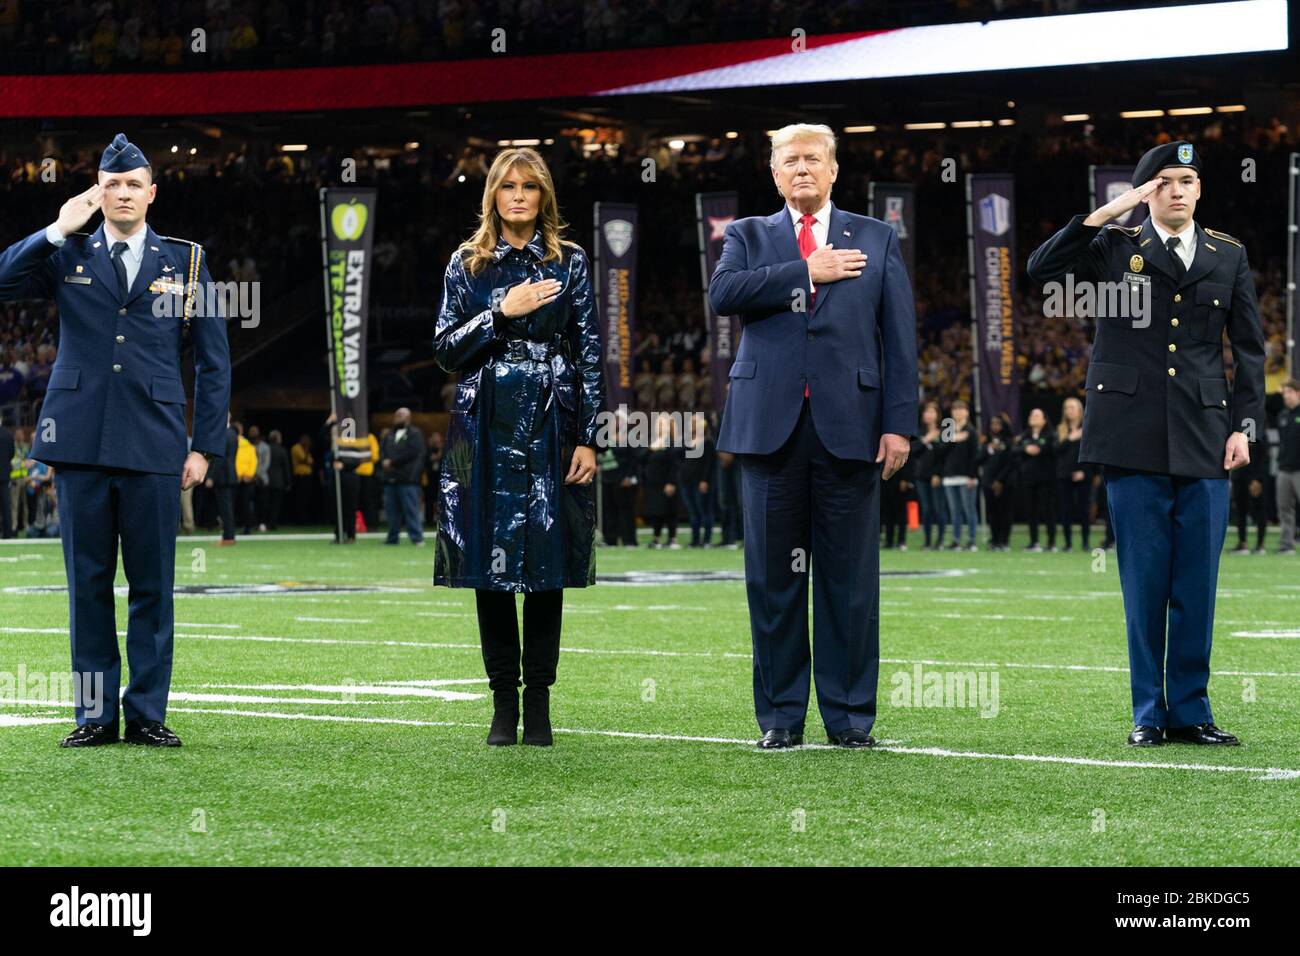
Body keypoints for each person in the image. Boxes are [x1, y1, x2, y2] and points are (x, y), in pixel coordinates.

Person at [1027, 140, 1265, 747]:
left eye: (1187, 180)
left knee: (1196, 584)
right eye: (1163, 182)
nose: (1177, 190)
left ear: (1200, 189)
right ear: (1144, 194)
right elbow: (1042, 272)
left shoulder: (1228, 255)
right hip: (1129, 435)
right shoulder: (1112, 247)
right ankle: (1148, 714)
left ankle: (1191, 711)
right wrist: (1108, 212)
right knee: (1144, 582)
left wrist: (1245, 426)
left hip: (1208, 435)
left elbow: (1250, 350)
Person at [0, 133, 231, 748]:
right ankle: (96, 715)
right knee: (88, 584)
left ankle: (148, 713)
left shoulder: (186, 262)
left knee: (153, 584)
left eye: (133, 184)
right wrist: (53, 228)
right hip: (77, 441)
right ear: (97, 192)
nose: (123, 193)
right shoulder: (64, 253)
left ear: (151, 193)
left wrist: (203, 446)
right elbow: (2, 281)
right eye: (112, 183)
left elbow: (214, 362)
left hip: (156, 444)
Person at [709, 123, 918, 749]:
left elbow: (900, 340)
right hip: (768, 430)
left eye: (813, 159)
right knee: (772, 580)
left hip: (851, 427)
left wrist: (898, 424)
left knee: (850, 580)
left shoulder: (878, 237)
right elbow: (723, 296)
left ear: (833, 171)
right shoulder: (746, 235)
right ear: (774, 174)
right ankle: (779, 718)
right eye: (789, 161)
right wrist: (807, 270)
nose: (802, 169)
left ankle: (851, 718)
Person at [433, 146, 603, 747]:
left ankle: (540, 705)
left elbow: (589, 353)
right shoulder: (467, 264)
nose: (520, 196)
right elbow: (446, 349)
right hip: (483, 423)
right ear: (494, 197)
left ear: (544, 196)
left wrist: (590, 438)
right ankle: (503, 702)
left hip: (554, 422)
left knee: (548, 562)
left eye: (530, 186)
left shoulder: (572, 261)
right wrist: (499, 313)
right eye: (508, 186)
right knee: (488, 562)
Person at [936, 399, 980, 551]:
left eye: (961, 409)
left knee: (969, 510)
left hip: (966, 477)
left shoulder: (971, 430)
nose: (957, 412)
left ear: (967, 412)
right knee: (954, 511)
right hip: (949, 476)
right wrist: (953, 439)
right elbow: (940, 450)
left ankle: (972, 540)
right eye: (955, 409)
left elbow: (975, 455)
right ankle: (956, 540)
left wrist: (972, 476)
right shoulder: (948, 426)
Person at [380, 406, 426, 545]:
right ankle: (392, 538)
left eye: (400, 415)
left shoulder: (415, 433)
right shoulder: (389, 435)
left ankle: (417, 538)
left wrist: (392, 462)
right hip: (391, 478)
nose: (397, 417)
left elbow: (412, 452)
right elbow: (384, 450)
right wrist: (384, 462)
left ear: (408, 417)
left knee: (411, 510)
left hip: (408, 478)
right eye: (396, 415)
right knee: (391, 511)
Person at [1016, 408, 1057, 552]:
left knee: (1048, 511)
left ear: (1044, 419)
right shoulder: (1024, 436)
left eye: (1037, 415)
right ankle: (1034, 541)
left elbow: (1052, 448)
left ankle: (1051, 542)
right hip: (1028, 479)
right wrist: (1025, 449)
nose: (1033, 417)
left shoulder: (1050, 434)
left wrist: (1038, 447)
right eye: (1031, 414)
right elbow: (1015, 449)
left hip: (1046, 479)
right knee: (1031, 511)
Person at [1055, 396, 1092, 552]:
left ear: (1080, 410)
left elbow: (1092, 453)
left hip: (1083, 476)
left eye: (1072, 407)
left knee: (1084, 510)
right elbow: (1055, 451)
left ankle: (1085, 542)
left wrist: (1084, 472)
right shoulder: (1060, 430)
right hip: (1064, 476)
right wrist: (1070, 439)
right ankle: (1068, 543)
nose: (1068, 411)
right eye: (1066, 408)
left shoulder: (1088, 428)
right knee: (1065, 510)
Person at [913, 401, 948, 550]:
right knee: (926, 509)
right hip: (921, 475)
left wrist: (938, 474)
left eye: (932, 412)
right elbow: (913, 451)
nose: (929, 415)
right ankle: (927, 541)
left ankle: (940, 540)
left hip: (937, 475)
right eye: (926, 412)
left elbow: (947, 453)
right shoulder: (918, 431)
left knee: (938, 508)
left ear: (938, 414)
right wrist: (927, 439)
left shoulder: (947, 427)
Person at [980, 412, 1016, 551]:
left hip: (1006, 482)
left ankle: (1004, 541)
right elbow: (978, 459)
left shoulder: (1009, 442)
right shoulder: (986, 442)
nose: (995, 427)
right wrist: (988, 449)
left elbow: (1010, 463)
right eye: (992, 423)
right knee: (992, 513)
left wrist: (999, 481)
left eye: (998, 424)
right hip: (988, 483)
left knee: (1005, 512)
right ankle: (994, 540)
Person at [1276, 378, 1300, 554]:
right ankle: (1286, 544)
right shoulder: (1282, 415)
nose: (1286, 396)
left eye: (1289, 392)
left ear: (1298, 393)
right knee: (1284, 509)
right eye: (1284, 392)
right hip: (1284, 469)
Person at [290, 432, 314, 524]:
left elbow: (311, 462)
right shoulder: (296, 448)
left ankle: (305, 518)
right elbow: (303, 459)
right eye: (306, 440)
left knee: (307, 498)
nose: (307, 442)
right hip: (300, 477)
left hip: (308, 477)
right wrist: (307, 450)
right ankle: (299, 519)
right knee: (300, 499)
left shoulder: (305, 449)